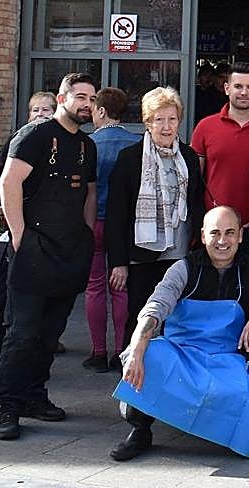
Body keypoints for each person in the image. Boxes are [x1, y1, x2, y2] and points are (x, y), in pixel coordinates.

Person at [109, 206, 249, 461]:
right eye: (215, 233)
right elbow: (155, 308)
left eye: (230, 233)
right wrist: (139, 347)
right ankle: (140, 429)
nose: (222, 241)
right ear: (203, 235)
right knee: (144, 355)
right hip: (181, 355)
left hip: (224, 360)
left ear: (241, 236)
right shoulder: (183, 269)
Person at [0, 74, 99, 441]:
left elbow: (89, 193)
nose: (86, 103)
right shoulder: (34, 136)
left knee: (50, 334)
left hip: (70, 254)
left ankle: (35, 397)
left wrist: (85, 236)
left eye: (91, 97)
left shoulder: (88, 145)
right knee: (22, 334)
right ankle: (8, 407)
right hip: (32, 252)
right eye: (80, 96)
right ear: (62, 98)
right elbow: (9, 182)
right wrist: (20, 235)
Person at [105, 87, 205, 348]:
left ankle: (169, 371)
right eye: (159, 119)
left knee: (176, 316)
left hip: (180, 251)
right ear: (147, 122)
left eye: (172, 119)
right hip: (142, 252)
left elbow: (197, 202)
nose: (166, 126)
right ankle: (132, 368)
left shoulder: (190, 157)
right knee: (140, 312)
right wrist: (118, 262)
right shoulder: (129, 159)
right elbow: (116, 214)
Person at [83, 87, 142, 372]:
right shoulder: (137, 144)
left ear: (102, 111)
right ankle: (121, 350)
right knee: (122, 288)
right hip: (127, 225)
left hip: (94, 221)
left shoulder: (88, 144)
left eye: (94, 108)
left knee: (95, 287)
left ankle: (97, 352)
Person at [190, 63, 249, 247]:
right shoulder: (205, 127)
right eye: (238, 86)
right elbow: (194, 181)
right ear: (226, 88)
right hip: (213, 227)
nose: (244, 92)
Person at [0, 91, 57, 213]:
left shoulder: (63, 140)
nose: (40, 114)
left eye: (45, 109)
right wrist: (1, 201)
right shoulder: (18, 139)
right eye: (35, 110)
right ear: (29, 116)